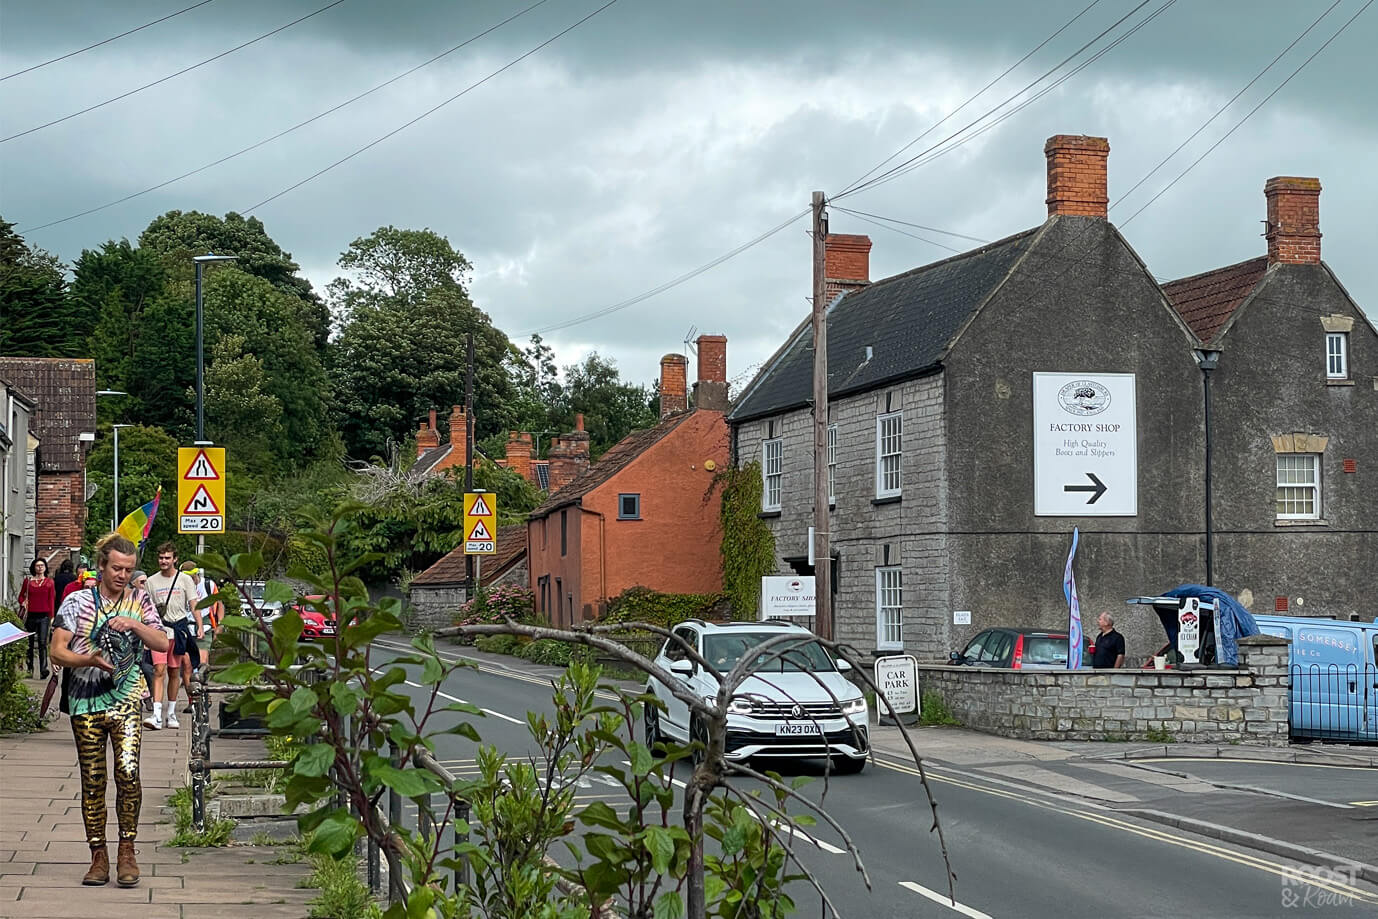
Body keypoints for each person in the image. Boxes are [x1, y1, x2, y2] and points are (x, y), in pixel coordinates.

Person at [48, 532, 169, 887]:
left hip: (128, 700)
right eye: (116, 568)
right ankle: (98, 855)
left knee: (128, 773)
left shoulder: (140, 600)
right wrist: (88, 659)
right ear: (102, 565)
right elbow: (57, 651)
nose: (122, 575)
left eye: (129, 569)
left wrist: (134, 624)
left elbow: (162, 641)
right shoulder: (77, 602)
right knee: (94, 779)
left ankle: (127, 850)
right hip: (86, 700)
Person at [144, 545, 201, 730]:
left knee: (174, 671)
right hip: (159, 631)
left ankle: (171, 712)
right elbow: (146, 609)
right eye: (161, 558)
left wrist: (200, 625)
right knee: (158, 670)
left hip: (178, 630)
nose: (164, 561)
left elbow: (193, 604)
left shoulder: (185, 580)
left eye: (167, 558)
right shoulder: (151, 582)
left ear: (175, 559)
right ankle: (156, 714)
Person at [19, 558, 57, 678]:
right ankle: (30, 668)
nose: (40, 568)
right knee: (29, 643)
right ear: (34, 568)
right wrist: (22, 602)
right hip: (31, 615)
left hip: (44, 616)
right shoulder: (28, 581)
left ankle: (43, 669)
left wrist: (52, 616)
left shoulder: (49, 582)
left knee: (42, 643)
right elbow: (21, 596)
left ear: (45, 568)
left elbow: (51, 600)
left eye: (42, 565)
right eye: (37, 566)